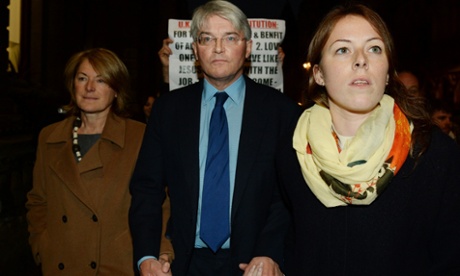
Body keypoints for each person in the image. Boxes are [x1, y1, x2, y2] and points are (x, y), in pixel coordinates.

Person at [277, 4, 460, 274]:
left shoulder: (434, 153)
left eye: (374, 48)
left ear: (387, 73)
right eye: (343, 49)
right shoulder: (291, 149)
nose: (361, 60)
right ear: (319, 74)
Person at [128, 1, 302, 275]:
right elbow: (147, 189)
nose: (218, 48)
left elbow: (288, 195)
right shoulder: (169, 110)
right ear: (196, 49)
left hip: (254, 264)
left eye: (230, 37)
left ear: (248, 47)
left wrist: (269, 251)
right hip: (181, 263)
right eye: (207, 38)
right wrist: (147, 255)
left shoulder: (282, 112)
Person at [25, 48, 173, 275]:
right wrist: (42, 247)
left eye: (101, 80)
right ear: (72, 84)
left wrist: (161, 252)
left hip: (116, 264)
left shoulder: (139, 136)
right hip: (62, 264)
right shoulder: (49, 137)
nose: (90, 88)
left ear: (116, 89)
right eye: (82, 78)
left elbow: (159, 203)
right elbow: (38, 200)